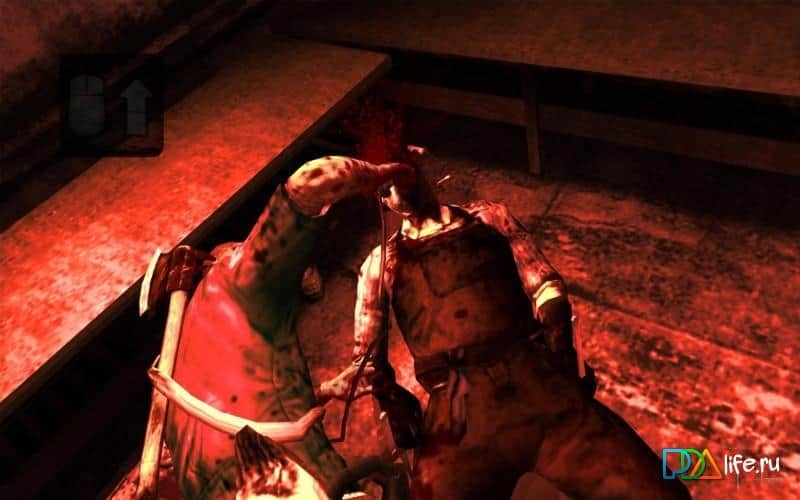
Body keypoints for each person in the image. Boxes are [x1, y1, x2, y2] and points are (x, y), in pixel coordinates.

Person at [319, 157, 691, 500]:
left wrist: (561, 347)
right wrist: (393, 402)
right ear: (383, 201)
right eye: (385, 187)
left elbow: (545, 283)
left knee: (661, 494)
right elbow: (367, 357)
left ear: (420, 173)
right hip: (458, 414)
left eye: (401, 173)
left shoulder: (489, 217)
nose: (397, 187)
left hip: (538, 383)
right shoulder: (379, 265)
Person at [162, 156, 414, 499]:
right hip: (281, 481)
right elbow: (310, 181)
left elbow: (241, 397)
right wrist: (380, 175)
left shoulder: (180, 356)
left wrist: (323, 390)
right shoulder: (239, 279)